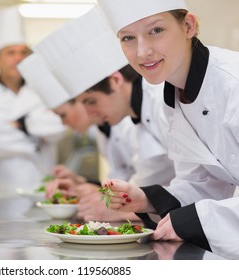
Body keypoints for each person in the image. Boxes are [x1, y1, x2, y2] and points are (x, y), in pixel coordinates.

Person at [97, 0, 239, 259]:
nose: (142, 52)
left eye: (156, 31)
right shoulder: (173, 99)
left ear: (189, 26)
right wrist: (147, 198)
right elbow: (203, 182)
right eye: (128, 38)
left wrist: (198, 219)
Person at [33, 6, 176, 221]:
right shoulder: (135, 116)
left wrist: (121, 209)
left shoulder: (163, 105)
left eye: (91, 102)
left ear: (116, 80)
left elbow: (194, 188)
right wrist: (86, 188)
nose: (89, 113)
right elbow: (140, 183)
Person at [17, 53, 138, 222]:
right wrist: (81, 182)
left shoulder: (129, 122)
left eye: (63, 115)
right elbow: (126, 180)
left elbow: (153, 185)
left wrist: (98, 193)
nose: (64, 124)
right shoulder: (102, 130)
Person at [0, 6, 65, 198]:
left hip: (41, 192)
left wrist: (16, 126)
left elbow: (59, 128)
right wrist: (36, 139)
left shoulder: (44, 93)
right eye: (11, 53)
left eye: (23, 52)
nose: (18, 58)